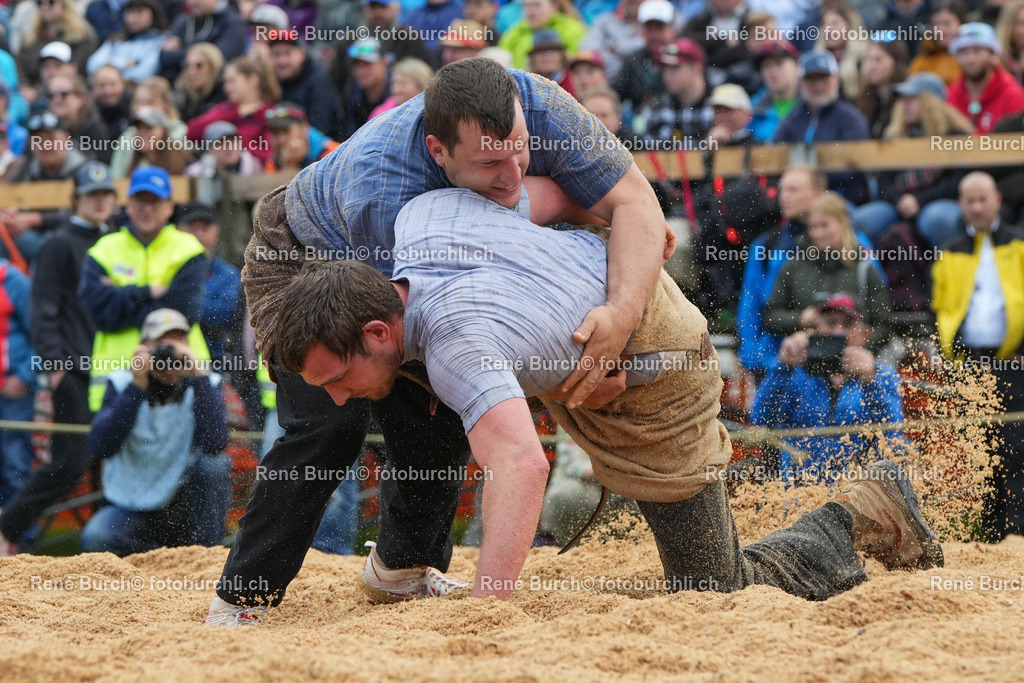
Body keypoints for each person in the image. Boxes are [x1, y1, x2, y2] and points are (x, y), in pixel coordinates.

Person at [251, 184, 942, 612]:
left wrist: (488, 605)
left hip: (658, 370)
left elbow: (522, 466)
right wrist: (627, 223)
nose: (339, 397)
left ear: (377, 328)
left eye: (337, 378)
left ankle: (859, 512)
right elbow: (549, 192)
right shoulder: (423, 217)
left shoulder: (458, 341)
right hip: (608, 341)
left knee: (715, 586)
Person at [205, 58, 674, 625]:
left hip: (405, 271)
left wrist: (615, 325)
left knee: (446, 402)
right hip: (302, 258)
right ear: (437, 152)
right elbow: (434, 326)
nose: (512, 174)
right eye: (490, 163)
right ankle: (241, 596)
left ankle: (403, 568)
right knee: (331, 420)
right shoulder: (384, 194)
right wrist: (566, 365)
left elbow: (636, 204)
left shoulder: (547, 107)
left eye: (520, 152)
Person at [0, 162, 117, 557]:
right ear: (76, 200)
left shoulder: (113, 242)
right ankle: (8, 529)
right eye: (91, 195)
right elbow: (42, 308)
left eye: (105, 195)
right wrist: (55, 365)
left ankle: (105, 550)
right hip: (74, 370)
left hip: (109, 369)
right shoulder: (60, 244)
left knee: (106, 456)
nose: (99, 202)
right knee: (70, 461)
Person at [79, 308, 231, 556]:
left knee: (216, 466)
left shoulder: (204, 384)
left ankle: (204, 557)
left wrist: (199, 376)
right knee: (98, 538)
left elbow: (215, 444)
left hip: (184, 506)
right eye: (162, 344)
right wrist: (136, 386)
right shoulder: (121, 383)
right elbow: (101, 446)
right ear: (143, 348)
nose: (169, 354)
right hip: (132, 505)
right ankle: (160, 562)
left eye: (179, 341)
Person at [931, 171, 1024, 541]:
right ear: (961, 205)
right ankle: (987, 535)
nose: (977, 207)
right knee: (981, 451)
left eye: (983, 199)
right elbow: (938, 306)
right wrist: (945, 352)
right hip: (969, 364)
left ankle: (1016, 532)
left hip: (1015, 361)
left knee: (1016, 447)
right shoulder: (951, 249)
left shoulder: (1019, 244)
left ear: (998, 200)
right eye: (970, 200)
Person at [79, 166, 209, 412]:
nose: (147, 209)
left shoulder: (187, 248)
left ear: (169, 206)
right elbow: (99, 315)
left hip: (179, 375)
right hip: (117, 377)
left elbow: (184, 311)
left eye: (155, 201)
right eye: (140, 201)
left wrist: (119, 298)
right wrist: (150, 292)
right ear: (128, 204)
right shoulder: (103, 249)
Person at [751, 293, 905, 480]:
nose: (838, 331)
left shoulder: (881, 374)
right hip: (801, 495)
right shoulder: (794, 372)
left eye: (847, 324)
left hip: (858, 494)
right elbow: (761, 419)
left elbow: (892, 432)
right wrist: (783, 367)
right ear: (816, 329)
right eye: (830, 323)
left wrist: (870, 380)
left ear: (865, 333)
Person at [763, 193, 892, 358]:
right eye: (813, 227)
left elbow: (883, 322)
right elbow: (770, 316)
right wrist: (800, 319)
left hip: (854, 368)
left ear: (843, 223)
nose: (818, 234)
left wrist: (861, 351)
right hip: (806, 365)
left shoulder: (864, 270)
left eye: (825, 225)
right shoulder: (793, 267)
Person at [851, 73, 972, 248]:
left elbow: (957, 182)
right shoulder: (896, 136)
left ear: (932, 103)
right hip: (898, 202)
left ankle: (945, 270)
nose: (905, 105)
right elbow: (884, 182)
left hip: (937, 201)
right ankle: (873, 272)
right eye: (903, 99)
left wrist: (919, 200)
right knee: (863, 220)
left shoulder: (955, 136)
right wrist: (900, 200)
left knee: (939, 219)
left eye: (913, 99)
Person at [736, 166, 827, 377]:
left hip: (829, 363)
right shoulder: (766, 245)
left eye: (793, 190)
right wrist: (754, 358)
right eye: (782, 190)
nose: (784, 197)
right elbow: (751, 306)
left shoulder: (849, 244)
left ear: (817, 194)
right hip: (774, 363)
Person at [774, 51, 870, 205]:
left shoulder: (851, 119)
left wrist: (809, 180)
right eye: (811, 80)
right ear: (801, 83)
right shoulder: (792, 119)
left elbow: (853, 168)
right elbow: (774, 154)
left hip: (842, 200)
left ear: (836, 80)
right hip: (798, 201)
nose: (818, 85)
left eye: (824, 78)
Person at [1, 111, 88, 263]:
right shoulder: (26, 167)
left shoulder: (84, 169)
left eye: (51, 139)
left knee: (53, 244)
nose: (45, 145)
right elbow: (6, 195)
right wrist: (10, 214)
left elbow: (86, 216)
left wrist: (36, 219)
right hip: (32, 242)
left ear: (66, 139)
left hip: (75, 245)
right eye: (38, 140)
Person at [175, 203, 241, 370]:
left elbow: (226, 315)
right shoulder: (166, 267)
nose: (198, 235)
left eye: (204, 228)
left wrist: (178, 301)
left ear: (216, 233)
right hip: (169, 363)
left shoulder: (229, 275)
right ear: (177, 231)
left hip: (214, 365)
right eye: (192, 227)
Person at [185, 56, 279, 164]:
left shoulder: (269, 113)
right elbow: (192, 132)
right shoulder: (226, 109)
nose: (227, 87)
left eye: (232, 81)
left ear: (253, 80)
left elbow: (270, 153)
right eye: (226, 82)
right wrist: (236, 113)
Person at [0, 255, 35, 519]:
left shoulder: (15, 282)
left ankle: (23, 546)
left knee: (15, 467)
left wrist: (25, 377)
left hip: (12, 394)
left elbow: (42, 334)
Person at [948, 22, 1024, 134]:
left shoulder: (1012, 94)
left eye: (977, 51)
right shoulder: (950, 94)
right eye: (963, 52)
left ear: (993, 55)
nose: (970, 59)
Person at [267, 29, 342, 140]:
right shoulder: (274, 80)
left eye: (288, 53)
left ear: (301, 54)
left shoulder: (317, 81)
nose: (282, 60)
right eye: (277, 55)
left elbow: (321, 129)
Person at [637, 38, 712, 145]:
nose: (668, 74)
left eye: (675, 67)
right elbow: (646, 154)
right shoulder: (655, 108)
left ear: (697, 67)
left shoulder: (720, 106)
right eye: (666, 68)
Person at [613, 0, 677, 113]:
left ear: (672, 29)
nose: (654, 35)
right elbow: (615, 92)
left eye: (660, 28)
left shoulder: (682, 58)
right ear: (642, 31)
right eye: (649, 28)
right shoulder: (633, 59)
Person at [158, 0, 246, 83]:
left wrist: (180, 52)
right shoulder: (182, 21)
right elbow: (164, 57)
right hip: (177, 84)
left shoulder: (231, 21)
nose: (192, 2)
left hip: (215, 87)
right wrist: (204, 51)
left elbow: (218, 57)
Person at [16, 0, 98, 88]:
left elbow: (82, 71)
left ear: (64, 4)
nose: (45, 6)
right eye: (39, 2)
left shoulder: (82, 36)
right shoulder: (30, 39)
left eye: (51, 2)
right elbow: (21, 71)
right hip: (35, 94)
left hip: (72, 90)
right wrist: (26, 88)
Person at [85, 0, 167, 84]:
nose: (134, 17)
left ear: (152, 14)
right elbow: (92, 65)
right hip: (109, 87)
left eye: (140, 12)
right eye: (130, 12)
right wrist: (122, 64)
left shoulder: (159, 41)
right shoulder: (116, 38)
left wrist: (109, 67)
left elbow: (143, 74)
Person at [498, 0, 585, 70]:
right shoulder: (512, 34)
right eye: (526, 6)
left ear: (554, 6)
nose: (531, 11)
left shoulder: (573, 30)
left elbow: (578, 63)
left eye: (537, 5)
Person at [855, 40, 909, 140]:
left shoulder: (907, 100)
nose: (871, 66)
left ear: (896, 62)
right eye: (868, 59)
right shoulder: (863, 98)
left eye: (878, 60)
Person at [578, 0, 645, 81]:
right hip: (608, 82)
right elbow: (587, 47)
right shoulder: (605, 21)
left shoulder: (655, 23)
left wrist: (617, 48)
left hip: (640, 82)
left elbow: (648, 46)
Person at [749, 40, 800, 143]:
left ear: (796, 66)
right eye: (766, 66)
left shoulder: (815, 104)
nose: (773, 72)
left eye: (779, 64)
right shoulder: (751, 109)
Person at [266, 105, 339, 172]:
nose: (281, 140)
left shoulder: (333, 154)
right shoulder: (273, 162)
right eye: (275, 133)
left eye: (286, 131)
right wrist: (288, 166)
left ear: (304, 129)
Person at [908, 0, 966, 85]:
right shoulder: (921, 61)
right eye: (936, 24)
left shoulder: (971, 57)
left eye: (947, 23)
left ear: (961, 24)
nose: (941, 30)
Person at [174, 43, 227, 122]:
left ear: (213, 67)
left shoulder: (225, 95)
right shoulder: (183, 97)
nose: (192, 72)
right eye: (187, 65)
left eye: (199, 65)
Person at [369, 58, 434, 119]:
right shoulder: (381, 115)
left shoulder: (435, 113)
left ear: (421, 87)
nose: (396, 90)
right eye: (394, 83)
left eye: (403, 84)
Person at [89, 65, 132, 142]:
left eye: (113, 84)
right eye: (102, 86)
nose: (108, 91)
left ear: (122, 84)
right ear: (94, 88)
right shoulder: (88, 115)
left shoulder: (133, 109)